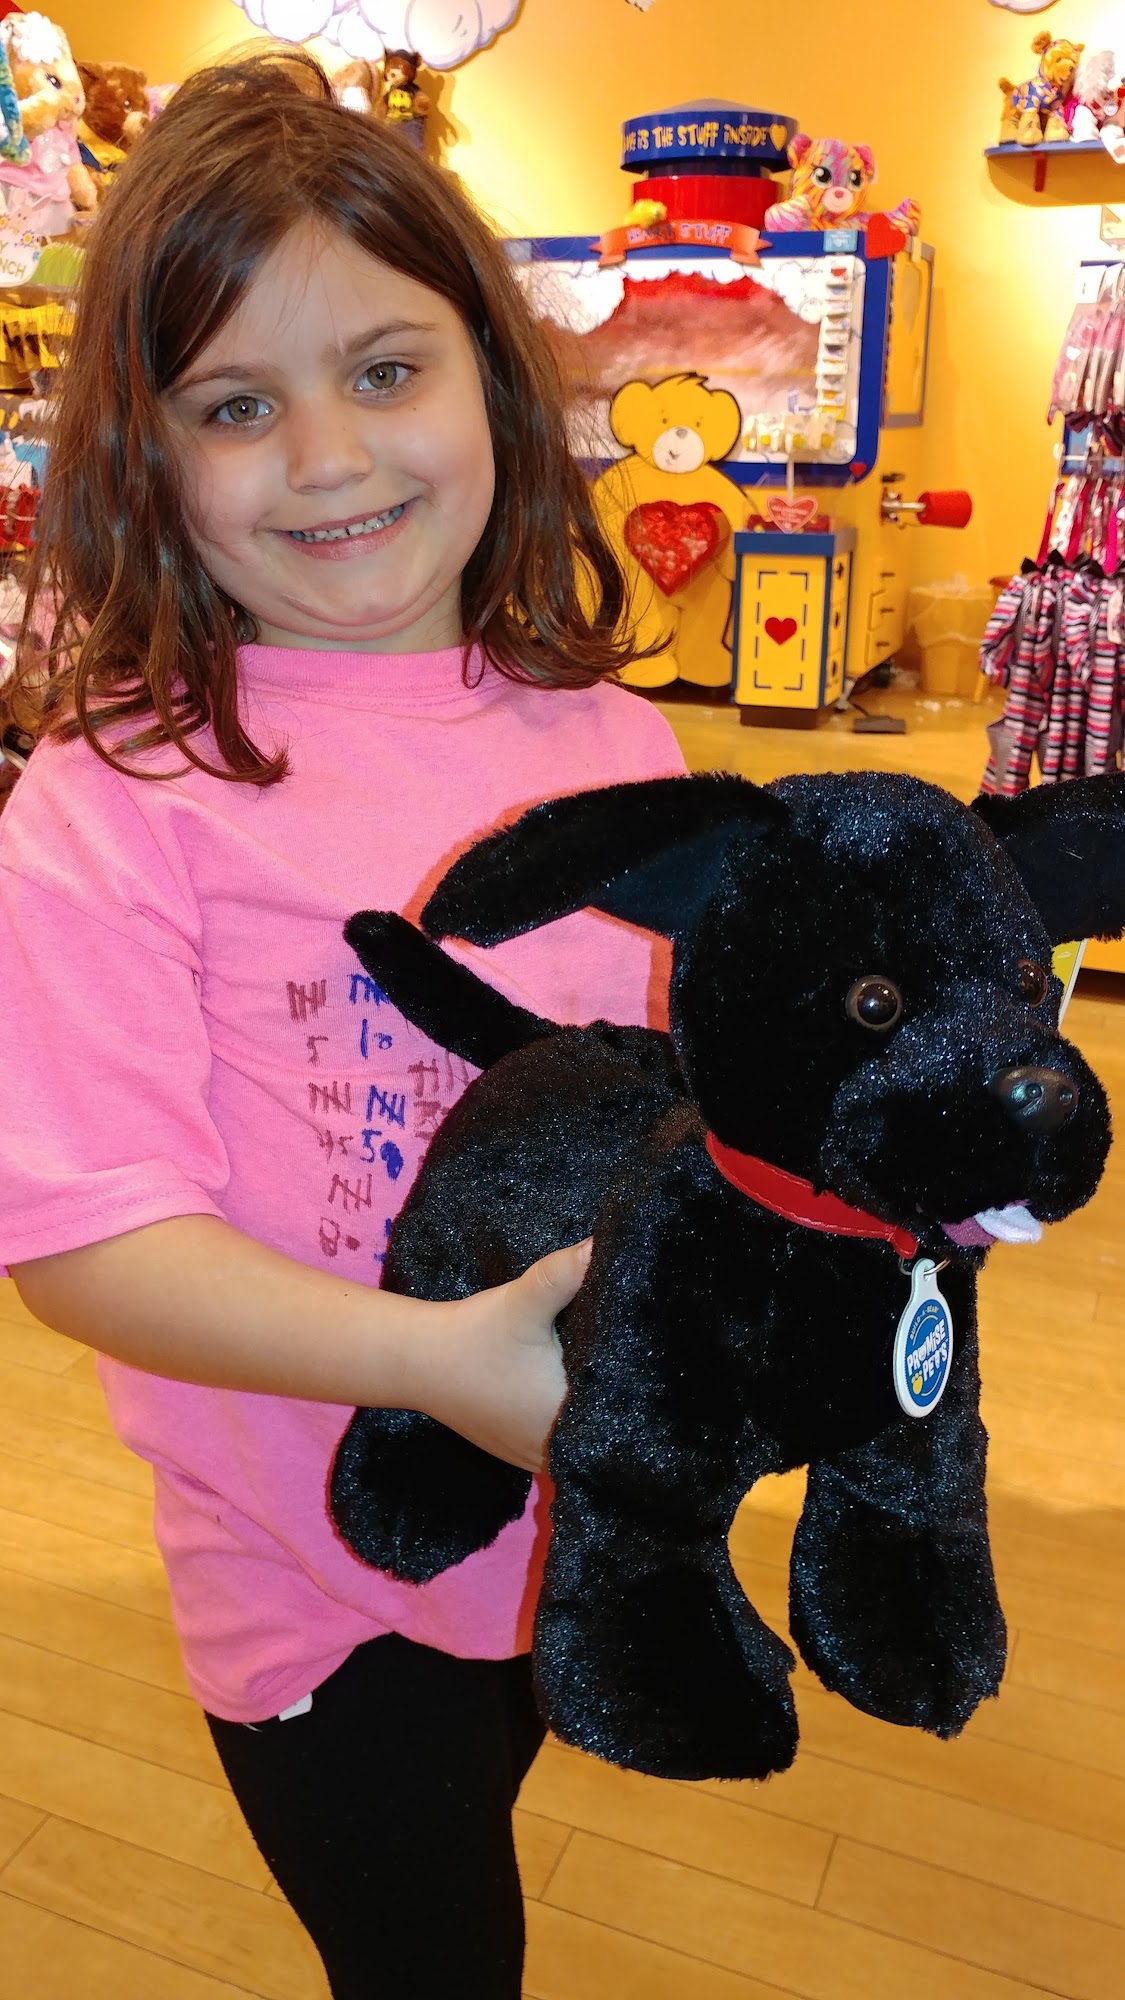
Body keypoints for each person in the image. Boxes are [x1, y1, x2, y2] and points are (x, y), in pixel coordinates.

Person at [0, 52, 684, 2000]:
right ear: (147, 458)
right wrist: (434, 1363)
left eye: (384, 370)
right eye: (237, 405)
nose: (326, 458)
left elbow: (683, 1106)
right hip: (312, 1580)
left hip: (568, 1515)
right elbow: (84, 1242)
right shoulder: (114, 803)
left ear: (491, 380)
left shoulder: (619, 746)